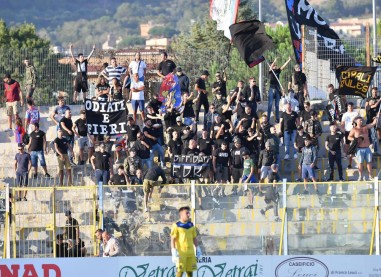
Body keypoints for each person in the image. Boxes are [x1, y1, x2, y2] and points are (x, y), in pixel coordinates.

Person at [171, 206, 201, 277]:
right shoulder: (176, 225)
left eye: (189, 213)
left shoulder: (191, 225)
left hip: (191, 253)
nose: (188, 215)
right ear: (181, 215)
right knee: (179, 273)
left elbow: (194, 238)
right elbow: (173, 239)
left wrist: (198, 248)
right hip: (181, 254)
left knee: (190, 273)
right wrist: (173, 252)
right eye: (187, 213)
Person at [348, 116, 379, 181]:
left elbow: (373, 124)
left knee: (369, 162)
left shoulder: (365, 127)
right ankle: (360, 176)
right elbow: (349, 137)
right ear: (356, 122)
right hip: (359, 148)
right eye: (360, 120)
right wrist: (355, 139)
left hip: (367, 148)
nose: (361, 121)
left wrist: (376, 118)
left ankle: (370, 176)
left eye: (361, 120)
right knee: (360, 163)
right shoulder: (354, 129)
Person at [267, 57, 291, 123]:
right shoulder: (270, 72)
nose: (275, 66)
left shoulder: (277, 71)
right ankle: (268, 118)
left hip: (277, 89)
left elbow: (283, 67)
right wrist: (274, 60)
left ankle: (277, 118)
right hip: (271, 89)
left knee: (277, 105)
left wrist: (288, 60)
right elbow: (270, 67)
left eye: (275, 65)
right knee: (270, 104)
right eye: (274, 65)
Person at [341, 102, 357, 167]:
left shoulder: (356, 113)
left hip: (354, 130)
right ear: (347, 107)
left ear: (353, 106)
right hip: (347, 130)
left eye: (351, 106)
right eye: (349, 106)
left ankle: (353, 153)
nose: (350, 107)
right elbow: (342, 123)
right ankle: (346, 154)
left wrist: (354, 119)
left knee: (354, 143)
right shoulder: (345, 114)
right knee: (347, 143)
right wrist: (343, 130)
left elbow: (359, 120)